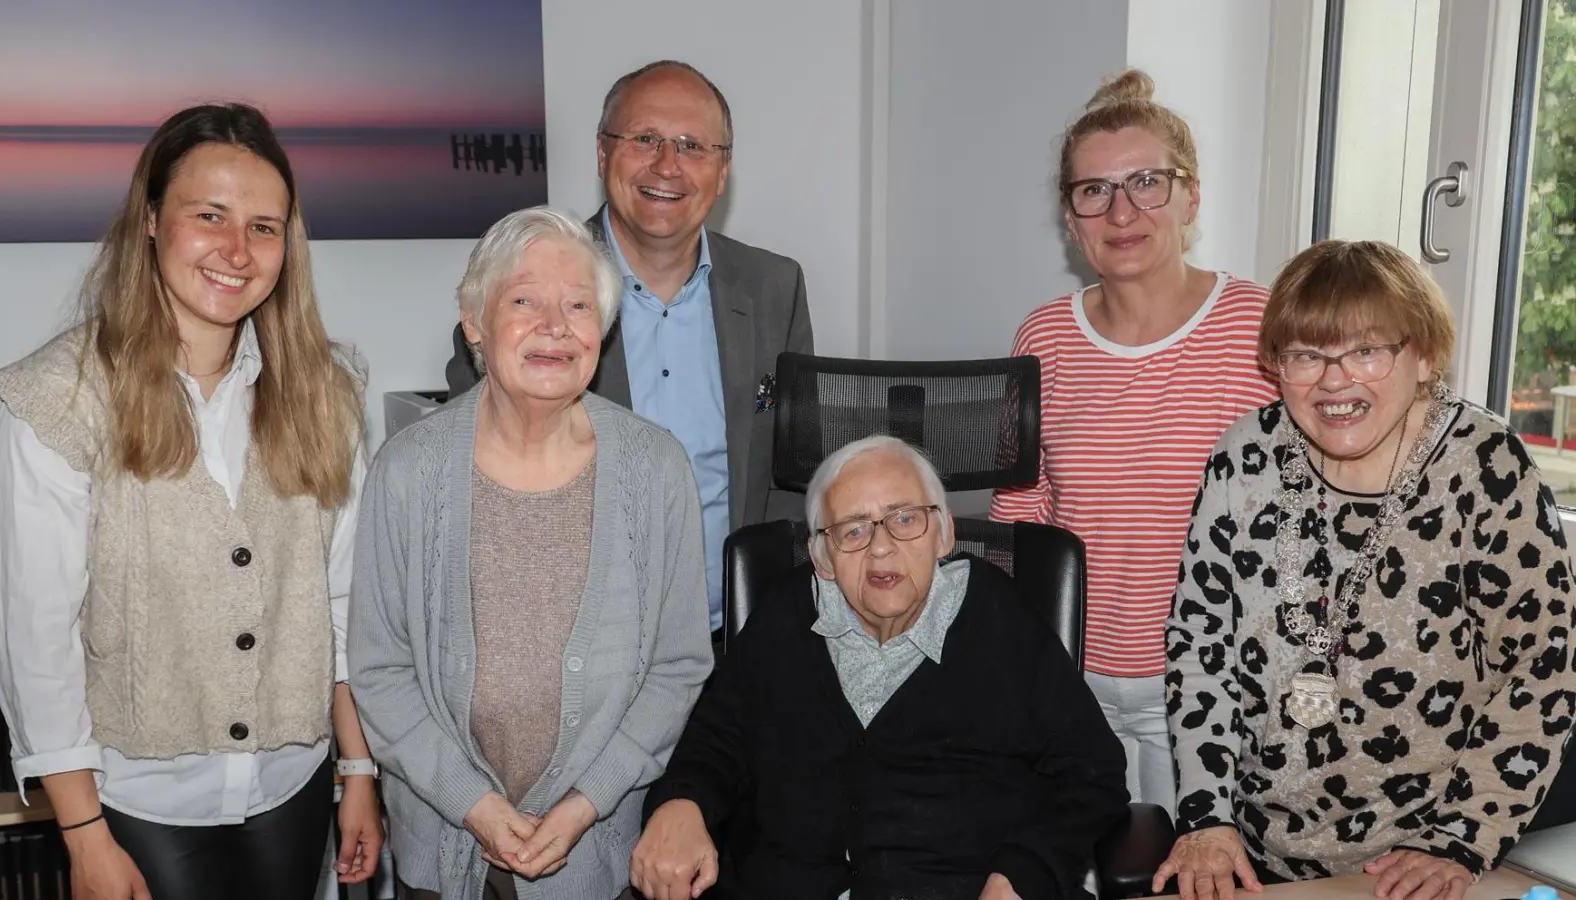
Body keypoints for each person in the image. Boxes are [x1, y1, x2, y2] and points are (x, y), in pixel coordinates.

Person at [0, 104, 383, 900]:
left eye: (265, 227)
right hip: (135, 806)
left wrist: (359, 767)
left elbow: (340, 602)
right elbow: (35, 640)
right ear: (153, 219)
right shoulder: (52, 403)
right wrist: (84, 836)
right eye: (210, 217)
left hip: (295, 788)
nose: (238, 250)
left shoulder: (325, 393)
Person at [1157, 240, 1576, 900]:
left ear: (1424, 356)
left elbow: (1541, 665)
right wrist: (1207, 818)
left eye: (1367, 351)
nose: (1334, 380)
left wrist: (1462, 838)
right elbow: (1199, 649)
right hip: (1259, 849)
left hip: (1426, 856)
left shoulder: (1486, 465)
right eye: (1307, 355)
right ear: (1275, 365)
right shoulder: (1244, 458)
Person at [350, 205, 713, 900]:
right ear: (475, 322)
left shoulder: (656, 469)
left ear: (602, 331)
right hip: (443, 847)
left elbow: (677, 667)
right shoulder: (408, 469)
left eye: (578, 305)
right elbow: (380, 669)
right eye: (524, 301)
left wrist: (584, 802)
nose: (555, 326)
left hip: (598, 854)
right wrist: (474, 805)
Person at [631, 435, 1129, 900]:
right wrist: (682, 803)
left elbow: (1092, 772)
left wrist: (1023, 873)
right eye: (853, 529)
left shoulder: (998, 618)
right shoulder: (786, 618)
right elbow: (715, 741)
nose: (882, 546)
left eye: (905, 519)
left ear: (945, 533)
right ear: (821, 556)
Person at [447, 60, 814, 652]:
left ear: (723, 171)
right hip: (578, 646)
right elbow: (478, 467)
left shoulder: (774, 286)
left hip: (738, 639)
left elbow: (795, 467)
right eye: (644, 139)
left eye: (693, 145)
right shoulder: (525, 282)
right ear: (601, 153)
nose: (667, 165)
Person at [989, 68, 1278, 816]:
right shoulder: (1042, 334)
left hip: (1214, 683)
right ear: (1070, 218)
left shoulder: (1264, 326)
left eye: (1147, 182)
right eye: (1095, 190)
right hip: (1071, 675)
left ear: (1191, 197)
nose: (1122, 211)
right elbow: (1022, 507)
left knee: (1192, 875)